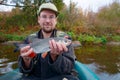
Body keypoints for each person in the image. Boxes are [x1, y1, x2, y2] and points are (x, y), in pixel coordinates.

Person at [18, 2, 79, 80]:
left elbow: (69, 67)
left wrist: (55, 57)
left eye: (51, 17)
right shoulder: (30, 39)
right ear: (39, 19)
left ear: (56, 20)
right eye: (44, 16)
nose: (47, 20)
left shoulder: (65, 38)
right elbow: (23, 70)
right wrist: (26, 60)